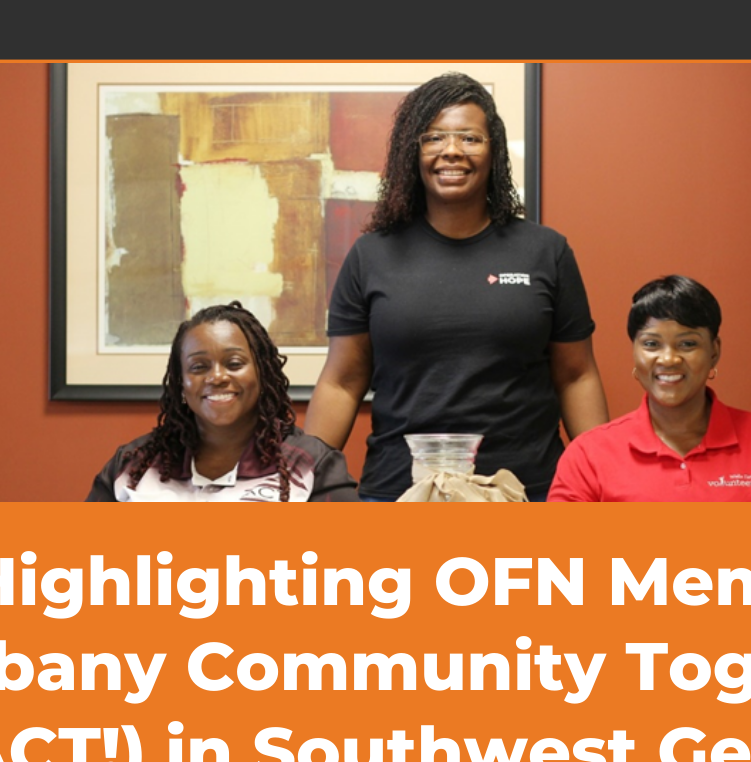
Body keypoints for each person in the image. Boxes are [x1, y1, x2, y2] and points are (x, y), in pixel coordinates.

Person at [305, 71, 609, 502]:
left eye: (470, 138)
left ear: (493, 151)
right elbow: (343, 381)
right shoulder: (371, 256)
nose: (452, 151)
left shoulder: (545, 252)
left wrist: (601, 477)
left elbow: (576, 375)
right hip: (400, 494)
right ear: (414, 151)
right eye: (434, 138)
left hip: (525, 493)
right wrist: (298, 479)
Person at [548, 275, 751, 502]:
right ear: (634, 352)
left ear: (714, 352)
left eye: (688, 344)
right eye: (651, 344)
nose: (669, 359)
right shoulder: (588, 455)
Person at [87, 302, 359, 502]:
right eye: (198, 367)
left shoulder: (312, 464)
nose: (216, 377)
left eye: (234, 363)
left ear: (262, 372)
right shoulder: (133, 465)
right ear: (181, 382)